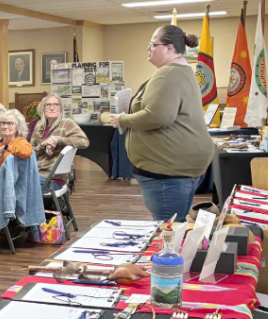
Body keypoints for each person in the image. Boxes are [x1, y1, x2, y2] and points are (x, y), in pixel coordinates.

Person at [109, 25, 214, 222]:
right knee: (176, 224)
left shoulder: (168, 74)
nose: (149, 48)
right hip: (177, 167)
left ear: (169, 48)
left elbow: (157, 117)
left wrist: (122, 119)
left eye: (153, 44)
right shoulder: (180, 71)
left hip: (167, 171)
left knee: (167, 227)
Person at [30, 93, 89, 191]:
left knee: (22, 187)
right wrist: (42, 145)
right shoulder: (39, 129)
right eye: (48, 105)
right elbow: (29, 153)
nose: (51, 108)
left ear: (61, 108)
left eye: (55, 105)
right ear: (43, 108)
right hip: (35, 173)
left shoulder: (66, 123)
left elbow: (84, 142)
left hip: (53, 179)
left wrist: (58, 140)